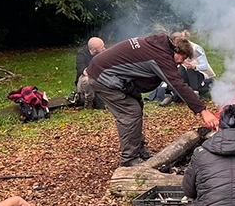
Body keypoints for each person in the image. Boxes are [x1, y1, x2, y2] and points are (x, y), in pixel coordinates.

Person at [87, 32, 219, 167]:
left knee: (137, 104)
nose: (182, 62)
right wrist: (203, 111)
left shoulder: (160, 45)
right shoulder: (161, 56)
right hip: (103, 77)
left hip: (115, 76)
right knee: (131, 112)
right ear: (176, 50)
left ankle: (140, 151)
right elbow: (178, 84)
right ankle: (129, 160)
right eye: (183, 57)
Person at [158, 39, 216, 106]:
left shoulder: (196, 49)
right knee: (180, 68)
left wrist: (194, 66)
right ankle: (169, 94)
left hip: (199, 75)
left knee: (189, 68)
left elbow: (205, 66)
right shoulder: (175, 50)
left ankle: (195, 94)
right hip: (185, 76)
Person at [74, 37, 105, 109]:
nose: (104, 49)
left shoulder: (101, 54)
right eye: (102, 48)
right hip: (83, 84)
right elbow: (84, 71)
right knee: (88, 79)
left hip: (97, 82)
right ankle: (88, 104)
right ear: (94, 50)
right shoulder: (81, 55)